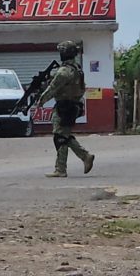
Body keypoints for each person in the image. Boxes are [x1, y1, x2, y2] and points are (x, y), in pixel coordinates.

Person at [36, 41, 95, 178]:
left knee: (60, 137)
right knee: (63, 135)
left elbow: (52, 89)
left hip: (64, 106)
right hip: (73, 105)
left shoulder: (64, 72)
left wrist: (41, 101)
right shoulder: (77, 69)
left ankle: (61, 168)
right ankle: (85, 156)